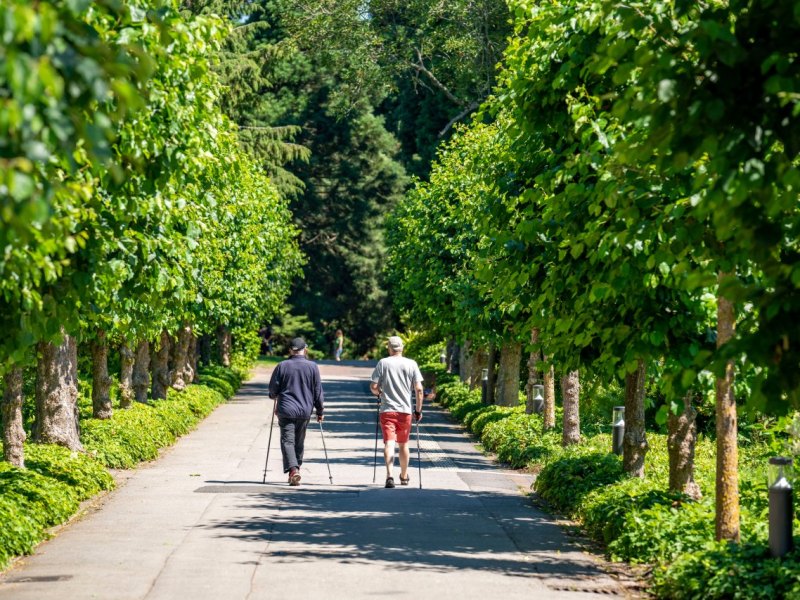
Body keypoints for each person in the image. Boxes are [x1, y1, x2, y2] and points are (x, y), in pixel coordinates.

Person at [268, 337, 324, 486]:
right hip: (305, 410)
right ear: (305, 349)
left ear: (290, 350)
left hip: (286, 409)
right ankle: (295, 469)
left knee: (287, 441)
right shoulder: (312, 367)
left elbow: (273, 390)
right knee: (299, 442)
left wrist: (273, 395)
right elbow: (318, 391)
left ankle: (293, 470)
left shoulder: (282, 366)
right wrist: (320, 410)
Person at [370, 335, 423, 488]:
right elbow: (419, 389)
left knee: (389, 443)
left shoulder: (383, 363)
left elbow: (373, 387)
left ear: (389, 348)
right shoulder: (411, 364)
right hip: (405, 411)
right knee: (403, 444)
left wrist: (380, 392)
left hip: (387, 410)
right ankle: (404, 476)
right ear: (402, 348)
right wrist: (418, 410)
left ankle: (389, 475)